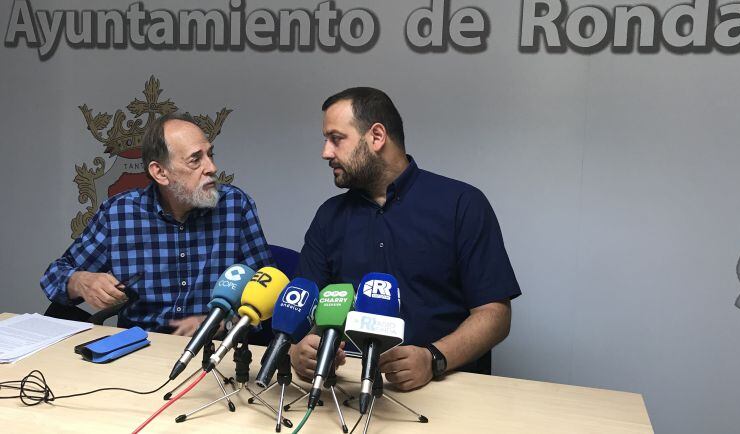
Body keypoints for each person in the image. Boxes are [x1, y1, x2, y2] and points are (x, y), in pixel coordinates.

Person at [290, 87, 520, 391]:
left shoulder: (462, 204)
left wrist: (434, 358)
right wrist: (300, 349)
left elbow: (495, 314)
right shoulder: (329, 216)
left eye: (336, 138)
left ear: (376, 136)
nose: (326, 152)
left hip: (445, 385)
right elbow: (303, 305)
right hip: (347, 389)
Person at [40, 112, 273, 335]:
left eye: (210, 155)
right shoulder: (120, 214)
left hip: (214, 350)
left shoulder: (235, 206)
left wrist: (222, 321)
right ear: (160, 172)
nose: (211, 167)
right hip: (139, 349)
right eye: (196, 159)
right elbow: (54, 275)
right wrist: (80, 281)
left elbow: (268, 288)